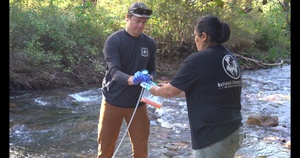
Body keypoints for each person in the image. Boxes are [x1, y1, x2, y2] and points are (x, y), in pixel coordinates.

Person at [146, 15, 244, 157]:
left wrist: (151, 88)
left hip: (213, 137)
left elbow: (168, 92)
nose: (194, 39)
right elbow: (206, 90)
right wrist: (173, 86)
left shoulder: (198, 59)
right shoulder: (229, 57)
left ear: (203, 36)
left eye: (195, 35)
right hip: (233, 130)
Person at [97, 2, 156, 158]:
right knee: (105, 147)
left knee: (141, 148)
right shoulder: (114, 41)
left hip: (138, 103)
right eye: (137, 21)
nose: (141, 25)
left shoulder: (149, 43)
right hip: (113, 100)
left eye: (144, 22)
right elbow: (114, 72)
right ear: (127, 18)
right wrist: (133, 79)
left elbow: (153, 69)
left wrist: (150, 77)